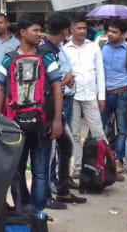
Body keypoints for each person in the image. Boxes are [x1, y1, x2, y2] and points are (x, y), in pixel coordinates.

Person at [0, 15, 63, 215]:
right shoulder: (9, 59)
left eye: (40, 30)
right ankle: (25, 210)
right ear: (23, 33)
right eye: (35, 30)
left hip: (41, 124)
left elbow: (57, 88)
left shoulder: (46, 56)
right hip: (19, 124)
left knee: (38, 171)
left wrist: (57, 119)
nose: (39, 34)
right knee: (18, 170)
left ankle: (35, 211)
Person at [38, 15, 84, 207]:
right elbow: (47, 84)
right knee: (48, 154)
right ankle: (46, 195)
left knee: (66, 146)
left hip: (59, 106)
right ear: (66, 32)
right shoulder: (45, 51)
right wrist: (64, 81)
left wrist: (66, 81)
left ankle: (62, 190)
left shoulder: (56, 49)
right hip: (48, 110)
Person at [61, 18, 107, 179]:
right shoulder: (65, 49)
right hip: (72, 95)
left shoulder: (94, 47)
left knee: (98, 131)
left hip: (90, 94)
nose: (82, 31)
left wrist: (102, 97)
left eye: (84, 28)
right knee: (74, 133)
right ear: (71, 30)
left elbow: (100, 72)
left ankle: (105, 165)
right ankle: (78, 167)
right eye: (79, 28)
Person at [100, 19, 127, 172]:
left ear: (123, 35)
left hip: (122, 94)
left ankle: (117, 159)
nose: (110, 34)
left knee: (122, 129)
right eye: (109, 31)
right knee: (99, 127)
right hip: (104, 94)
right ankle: (101, 158)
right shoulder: (101, 47)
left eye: (115, 32)